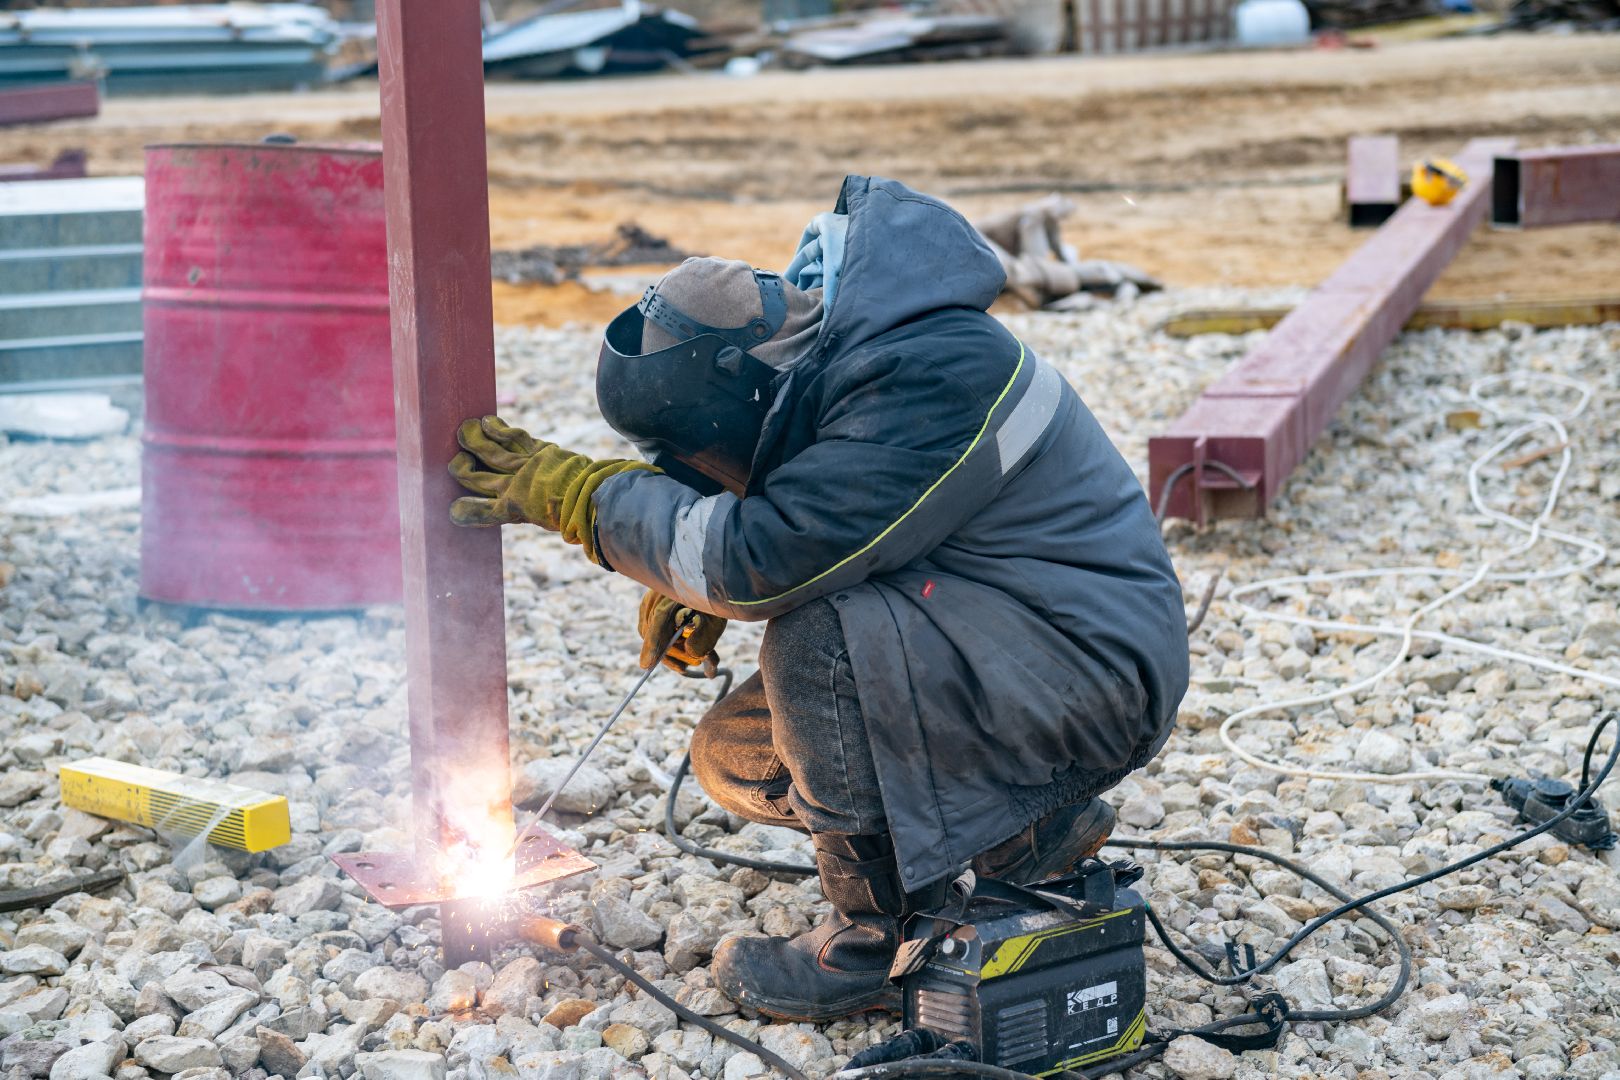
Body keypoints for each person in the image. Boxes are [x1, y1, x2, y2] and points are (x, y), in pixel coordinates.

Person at [449, 175, 1189, 1023]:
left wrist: (588, 500)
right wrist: (699, 567)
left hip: (1091, 679)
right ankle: (1025, 833)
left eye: (706, 457)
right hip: (1019, 643)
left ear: (742, 380)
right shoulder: (848, 354)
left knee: (817, 634)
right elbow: (850, 519)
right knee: (739, 753)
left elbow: (767, 559)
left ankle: (882, 937)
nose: (708, 474)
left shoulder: (930, 370)